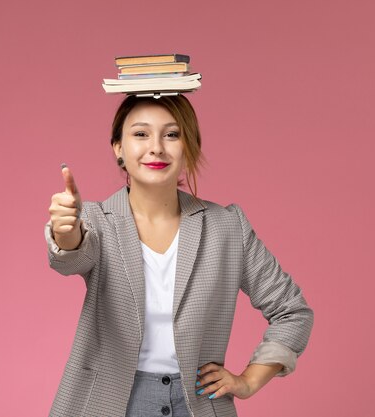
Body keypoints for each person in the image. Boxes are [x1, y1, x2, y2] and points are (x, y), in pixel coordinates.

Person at [45, 94, 313, 417]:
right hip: (111, 403)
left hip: (197, 404)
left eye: (171, 134)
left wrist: (249, 381)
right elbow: (73, 254)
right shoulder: (96, 221)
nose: (156, 147)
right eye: (141, 134)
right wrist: (65, 230)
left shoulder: (227, 227)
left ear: (189, 147)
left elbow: (292, 311)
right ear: (118, 147)